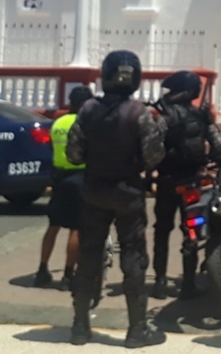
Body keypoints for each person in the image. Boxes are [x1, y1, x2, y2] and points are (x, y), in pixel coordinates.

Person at [65, 50, 167, 348]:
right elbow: (153, 158)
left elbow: (74, 154)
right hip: (129, 193)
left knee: (89, 255)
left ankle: (80, 327)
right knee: (133, 257)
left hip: (94, 191)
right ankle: (137, 329)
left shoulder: (87, 110)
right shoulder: (140, 114)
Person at [149, 70, 221, 300]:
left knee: (162, 230)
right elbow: (219, 145)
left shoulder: (164, 118)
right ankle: (189, 283)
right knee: (192, 230)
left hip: (166, 181)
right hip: (193, 181)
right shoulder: (202, 116)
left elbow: (152, 148)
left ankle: (160, 281)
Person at [34, 84, 93, 289]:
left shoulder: (58, 122)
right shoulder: (86, 123)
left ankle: (42, 269)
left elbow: (51, 147)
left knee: (53, 226)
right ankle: (68, 275)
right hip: (80, 176)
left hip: (59, 178)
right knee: (76, 228)